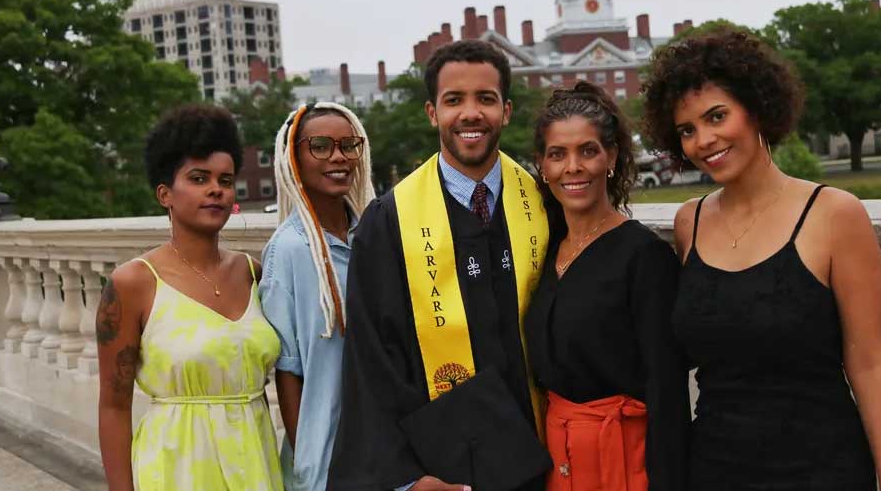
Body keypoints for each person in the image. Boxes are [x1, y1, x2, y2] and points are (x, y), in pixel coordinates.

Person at [641, 29, 881, 490]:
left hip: (823, 471)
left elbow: (869, 363)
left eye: (717, 116)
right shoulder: (691, 223)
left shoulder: (833, 214)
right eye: (687, 129)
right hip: (714, 469)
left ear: (757, 107)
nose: (704, 139)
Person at [327, 40, 552, 491]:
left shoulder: (544, 203)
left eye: (485, 99)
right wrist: (407, 478)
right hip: (444, 467)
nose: (471, 114)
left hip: (546, 454)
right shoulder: (390, 221)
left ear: (506, 111)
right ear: (433, 113)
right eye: (454, 100)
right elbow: (372, 360)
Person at [96, 104, 283, 490]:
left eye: (226, 180)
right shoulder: (134, 283)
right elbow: (114, 406)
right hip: (176, 468)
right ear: (165, 193)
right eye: (199, 178)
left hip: (255, 462)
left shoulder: (253, 273)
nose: (216, 189)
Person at [525, 82, 690, 491]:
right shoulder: (544, 251)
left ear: (611, 157)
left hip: (626, 462)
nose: (573, 167)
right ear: (542, 167)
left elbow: (668, 391)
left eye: (588, 151)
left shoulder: (645, 257)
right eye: (557, 154)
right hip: (557, 461)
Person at [259, 102, 375, 490]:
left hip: (383, 449)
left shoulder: (374, 238)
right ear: (294, 158)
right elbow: (287, 370)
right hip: (324, 461)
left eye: (348, 145)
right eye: (321, 146)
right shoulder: (288, 250)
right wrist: (308, 466)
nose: (338, 157)